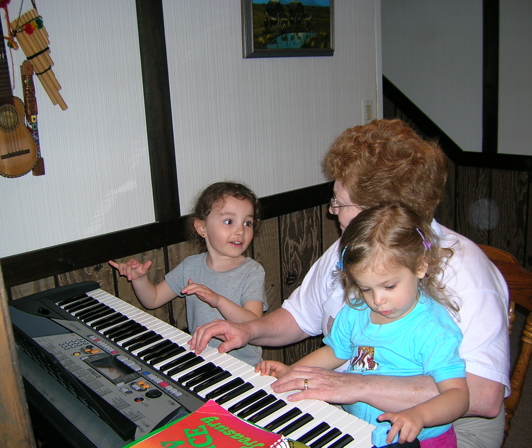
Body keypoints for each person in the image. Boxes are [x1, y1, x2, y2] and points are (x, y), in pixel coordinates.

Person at [189, 119, 510, 448]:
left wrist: (355, 384)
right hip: (358, 410)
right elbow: (300, 317)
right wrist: (250, 330)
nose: (334, 213)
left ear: (383, 212)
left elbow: (483, 396)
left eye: (340, 203)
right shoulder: (353, 248)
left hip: (446, 430)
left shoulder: (465, 272)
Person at [256, 204, 469, 447]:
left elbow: (458, 396)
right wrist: (292, 372)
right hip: (358, 429)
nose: (377, 300)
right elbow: (335, 352)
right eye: (366, 288)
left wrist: (420, 415)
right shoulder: (356, 310)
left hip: (422, 439)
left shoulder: (432, 328)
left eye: (389, 286)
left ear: (420, 266)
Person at [109, 182, 267, 366]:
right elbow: (152, 299)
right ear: (202, 228)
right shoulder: (191, 266)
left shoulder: (252, 271)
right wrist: (139, 279)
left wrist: (219, 301)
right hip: (202, 361)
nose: (241, 231)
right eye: (228, 221)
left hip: (243, 368)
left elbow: (255, 324)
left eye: (247, 223)